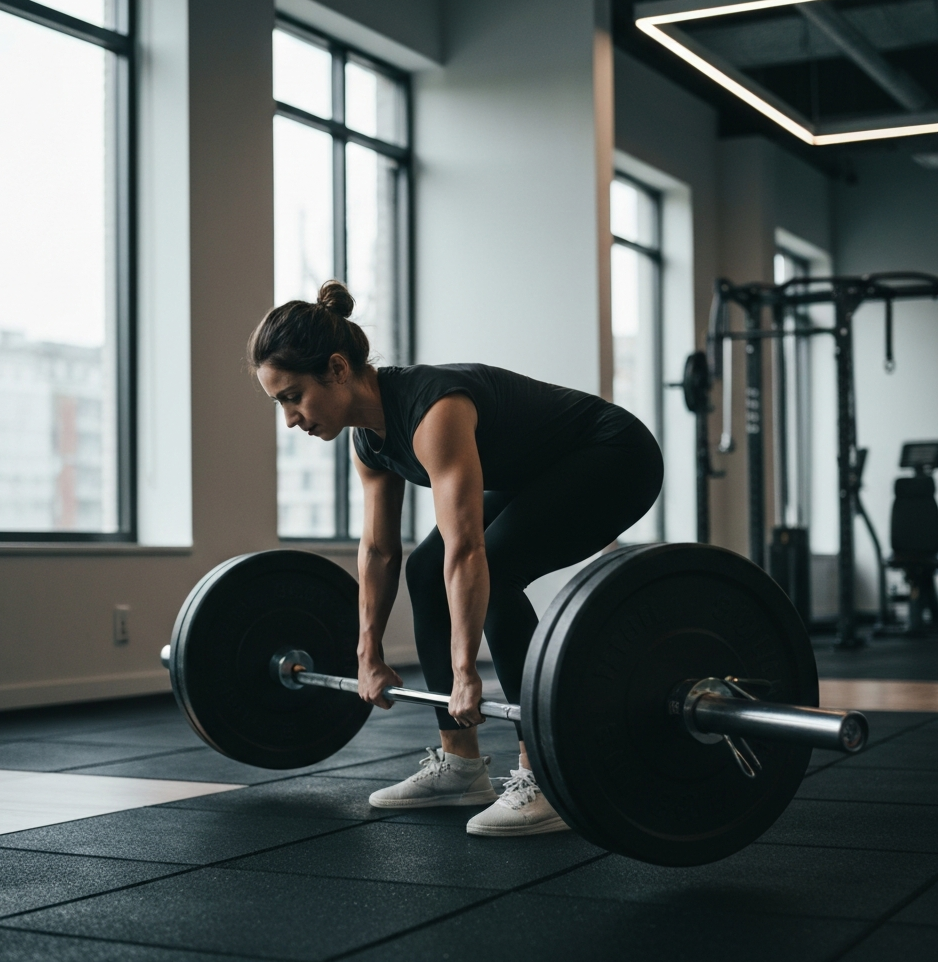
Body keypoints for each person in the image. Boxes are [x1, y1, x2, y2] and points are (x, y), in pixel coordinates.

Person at [248, 281, 663, 836]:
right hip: (543, 472)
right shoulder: (368, 440)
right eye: (280, 403)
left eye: (292, 396)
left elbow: (468, 549)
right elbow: (380, 551)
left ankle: (545, 774)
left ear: (339, 368)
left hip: (615, 457)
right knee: (425, 567)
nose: (291, 418)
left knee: (500, 568)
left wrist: (468, 672)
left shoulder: (434, 411)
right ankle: (462, 765)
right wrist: (367, 652)